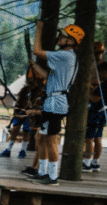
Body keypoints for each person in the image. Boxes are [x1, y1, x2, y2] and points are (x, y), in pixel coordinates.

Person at [26, 21, 83, 186]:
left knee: (50, 141)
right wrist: (35, 66)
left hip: (56, 103)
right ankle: (42, 172)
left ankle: (52, 177)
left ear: (71, 41)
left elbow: (37, 51)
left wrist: (39, 29)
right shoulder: (66, 58)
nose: (60, 37)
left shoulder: (65, 56)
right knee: (41, 138)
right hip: (52, 102)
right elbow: (48, 76)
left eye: (63, 36)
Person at [0, 67, 44, 159]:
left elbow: (38, 104)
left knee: (26, 131)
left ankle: (23, 151)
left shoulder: (39, 92)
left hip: (30, 115)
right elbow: (18, 101)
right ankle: (8, 149)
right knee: (15, 130)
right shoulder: (24, 89)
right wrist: (16, 111)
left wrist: (33, 112)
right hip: (20, 112)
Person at [84, 61, 107, 172]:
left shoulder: (106, 84)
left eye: (99, 73)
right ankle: (95, 162)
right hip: (103, 112)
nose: (98, 76)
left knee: (89, 138)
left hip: (98, 113)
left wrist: (84, 91)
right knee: (97, 138)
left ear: (105, 71)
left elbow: (95, 98)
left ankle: (87, 162)